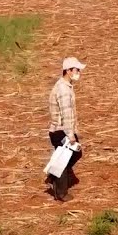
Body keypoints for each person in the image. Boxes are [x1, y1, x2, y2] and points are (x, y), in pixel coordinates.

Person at [46, 56, 85, 201]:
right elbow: (66, 113)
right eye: (76, 70)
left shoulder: (64, 85)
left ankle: (54, 177)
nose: (79, 72)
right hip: (61, 130)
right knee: (64, 159)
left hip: (60, 129)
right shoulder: (63, 90)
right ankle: (61, 193)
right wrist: (70, 134)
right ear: (68, 71)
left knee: (74, 154)